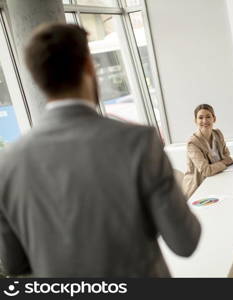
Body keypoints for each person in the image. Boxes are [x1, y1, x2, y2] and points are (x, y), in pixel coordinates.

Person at [0, 23, 201, 277]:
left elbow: (14, 266)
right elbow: (185, 242)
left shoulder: (6, 163)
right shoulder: (139, 143)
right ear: (88, 66)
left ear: (37, 80)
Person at [183, 104, 233, 198]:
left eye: (208, 116)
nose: (205, 121)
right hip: (199, 188)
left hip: (217, 179)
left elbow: (227, 155)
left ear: (214, 118)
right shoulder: (193, 143)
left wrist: (219, 164)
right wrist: (224, 162)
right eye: (200, 118)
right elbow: (206, 171)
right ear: (195, 121)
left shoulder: (217, 134)